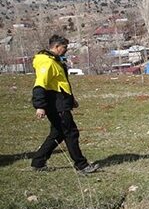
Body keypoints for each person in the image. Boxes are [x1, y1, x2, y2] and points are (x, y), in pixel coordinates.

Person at [30, 35, 99, 174]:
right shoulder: (47, 63)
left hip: (61, 102)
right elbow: (40, 84)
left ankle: (38, 162)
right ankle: (81, 165)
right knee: (71, 132)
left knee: (58, 133)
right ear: (56, 47)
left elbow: (60, 84)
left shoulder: (55, 61)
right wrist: (40, 106)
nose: (66, 50)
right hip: (55, 104)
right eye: (64, 47)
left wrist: (71, 99)